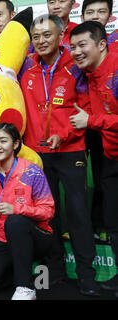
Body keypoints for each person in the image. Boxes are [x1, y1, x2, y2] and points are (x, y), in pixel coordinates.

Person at [20, 14, 100, 297]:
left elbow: (85, 108)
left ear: (60, 36)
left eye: (47, 35)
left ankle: (87, 277)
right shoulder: (26, 70)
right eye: (36, 36)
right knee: (46, 217)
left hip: (71, 149)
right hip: (39, 155)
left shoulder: (75, 68)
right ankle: (54, 272)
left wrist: (62, 134)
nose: (41, 41)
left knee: (78, 213)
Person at [0, 123, 54, 300]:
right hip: (0, 237)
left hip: (34, 236)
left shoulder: (32, 171)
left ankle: (26, 287)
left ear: (15, 144)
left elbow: (47, 210)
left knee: (15, 221)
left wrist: (17, 209)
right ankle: (15, 271)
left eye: (3, 141)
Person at [69, 21, 118, 297]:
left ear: (101, 44)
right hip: (111, 157)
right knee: (112, 221)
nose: (76, 52)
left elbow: (94, 118)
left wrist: (92, 120)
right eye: (73, 46)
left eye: (82, 45)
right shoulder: (85, 75)